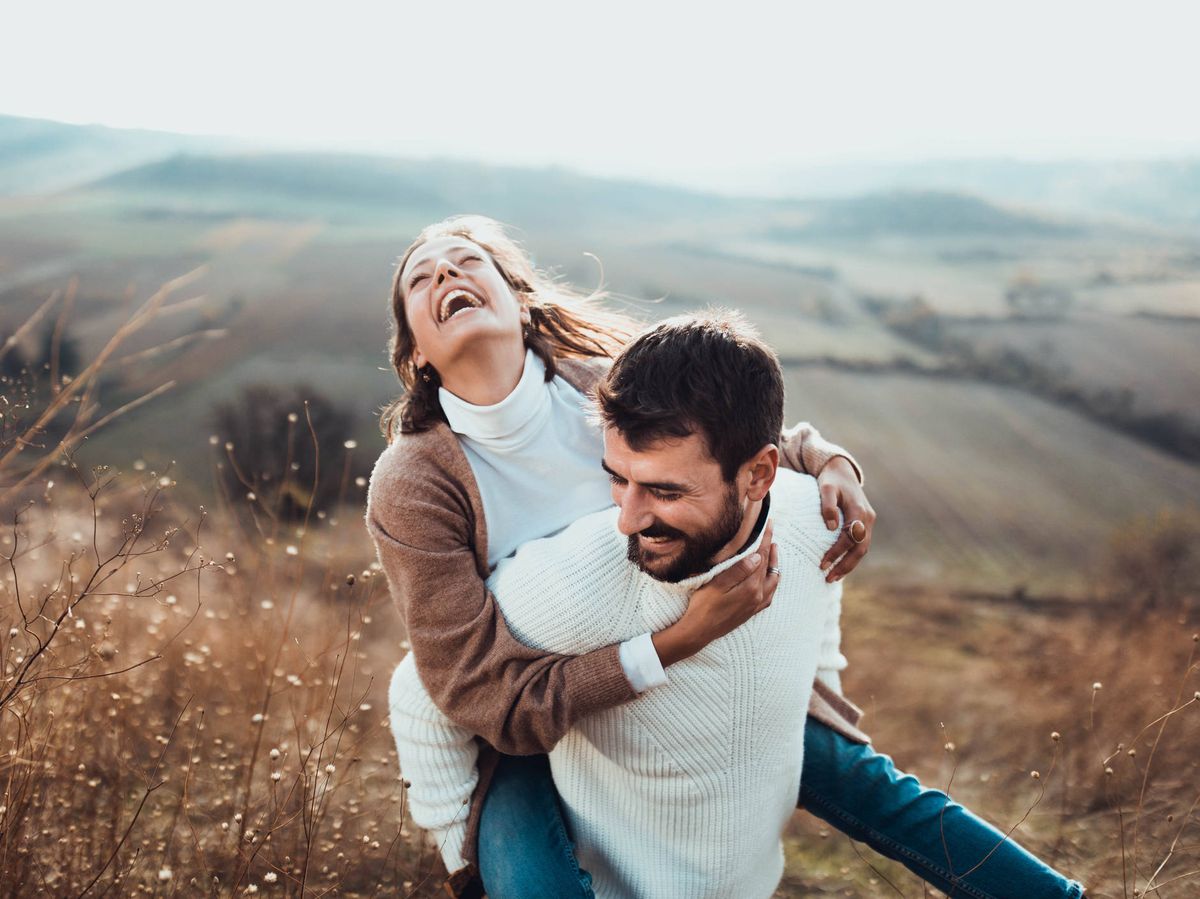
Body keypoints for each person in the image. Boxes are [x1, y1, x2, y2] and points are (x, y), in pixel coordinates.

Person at [366, 216, 1084, 898]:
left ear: (519, 301)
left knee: (860, 778)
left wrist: (829, 458)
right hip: (523, 713)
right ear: (416, 351)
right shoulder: (414, 481)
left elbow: (728, 431)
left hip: (677, 641)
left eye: (466, 261)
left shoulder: (601, 386)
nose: (445, 273)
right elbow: (476, 689)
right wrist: (680, 639)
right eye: (421, 279)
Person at [392, 312, 849, 897]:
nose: (627, 518)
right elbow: (429, 686)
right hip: (514, 713)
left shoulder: (811, 511)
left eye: (663, 490)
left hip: (745, 867)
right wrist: (465, 865)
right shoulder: (426, 481)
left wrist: (825, 458)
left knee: (891, 798)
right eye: (615, 479)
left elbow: (742, 445)